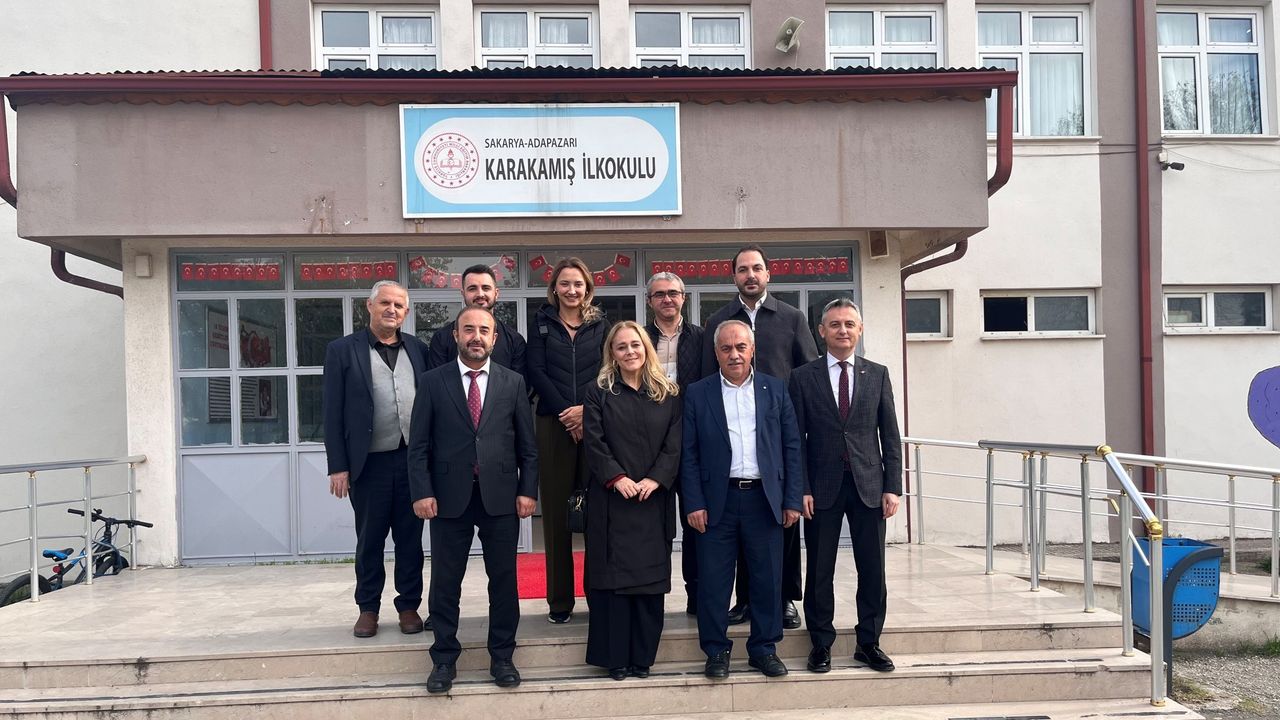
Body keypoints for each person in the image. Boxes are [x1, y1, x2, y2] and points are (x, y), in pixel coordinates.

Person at [408, 306, 539, 694]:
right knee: (445, 582)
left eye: (484, 330)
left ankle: (502, 657)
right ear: (456, 335)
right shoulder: (433, 382)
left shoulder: (513, 382)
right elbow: (418, 445)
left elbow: (528, 446)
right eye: (468, 329)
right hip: (448, 498)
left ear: (494, 338)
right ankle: (444, 659)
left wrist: (528, 490)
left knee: (504, 581)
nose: (476, 336)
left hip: (501, 497)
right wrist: (422, 491)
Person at [701, 244, 818, 629]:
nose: (750, 275)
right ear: (733, 276)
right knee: (739, 527)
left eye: (756, 268)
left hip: (778, 435)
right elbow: (705, 376)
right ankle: (746, 599)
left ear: (768, 274)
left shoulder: (792, 317)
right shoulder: (719, 320)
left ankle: (784, 598)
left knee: (782, 523)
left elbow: (808, 374)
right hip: (734, 435)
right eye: (742, 269)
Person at [681, 320, 804, 679]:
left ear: (752, 350)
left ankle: (764, 649)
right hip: (715, 502)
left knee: (767, 580)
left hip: (764, 500)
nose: (734, 354)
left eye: (740, 347)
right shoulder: (698, 393)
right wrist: (693, 503)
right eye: (726, 348)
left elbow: (792, 447)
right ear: (716, 352)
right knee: (714, 582)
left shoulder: (775, 389)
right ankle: (716, 651)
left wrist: (792, 499)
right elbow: (689, 453)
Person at [787, 298, 902, 674]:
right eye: (835, 324)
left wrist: (893, 486)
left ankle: (869, 642)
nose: (842, 330)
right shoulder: (803, 377)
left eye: (849, 324)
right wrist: (801, 487)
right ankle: (820, 643)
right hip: (821, 488)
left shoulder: (878, 374)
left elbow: (890, 434)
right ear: (821, 331)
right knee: (820, 569)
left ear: (860, 329)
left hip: (870, 486)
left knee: (873, 569)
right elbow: (796, 439)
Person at [322, 280, 429, 638]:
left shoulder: (418, 349)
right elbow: (332, 412)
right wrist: (338, 465)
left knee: (410, 539)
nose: (391, 310)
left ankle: (409, 606)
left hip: (412, 461)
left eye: (398, 305)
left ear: (406, 312)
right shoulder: (342, 350)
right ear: (369, 306)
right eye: (385, 303)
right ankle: (368, 608)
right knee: (370, 539)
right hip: (369, 464)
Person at [582, 321, 682, 680]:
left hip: (652, 501)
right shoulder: (597, 392)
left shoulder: (667, 392)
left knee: (648, 586)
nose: (629, 352)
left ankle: (642, 658)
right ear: (612, 352)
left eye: (635, 345)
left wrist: (655, 478)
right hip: (612, 502)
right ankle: (616, 660)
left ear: (646, 348)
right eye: (621, 346)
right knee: (613, 587)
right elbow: (593, 442)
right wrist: (617, 478)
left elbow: (675, 443)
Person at [525, 257, 611, 624]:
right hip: (552, 424)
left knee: (598, 514)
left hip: (596, 424)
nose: (572, 290)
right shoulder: (541, 323)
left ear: (587, 288)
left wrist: (585, 412)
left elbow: (609, 370)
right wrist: (566, 413)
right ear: (555, 289)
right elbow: (536, 371)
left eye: (578, 284)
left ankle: (598, 596)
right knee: (557, 516)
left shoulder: (601, 325)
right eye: (565, 283)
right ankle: (559, 601)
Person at [643, 271, 705, 616]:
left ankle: (697, 595)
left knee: (696, 521)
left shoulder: (703, 337)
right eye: (660, 294)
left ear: (683, 298)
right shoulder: (639, 338)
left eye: (673, 293)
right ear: (649, 301)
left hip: (694, 440)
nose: (667, 299)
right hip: (650, 443)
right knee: (655, 524)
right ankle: (652, 596)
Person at [426, 263, 526, 375]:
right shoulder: (441, 338)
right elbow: (436, 381)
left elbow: (518, 384)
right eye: (472, 289)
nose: (480, 294)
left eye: (486, 288)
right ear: (463, 293)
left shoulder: (514, 340)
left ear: (496, 293)